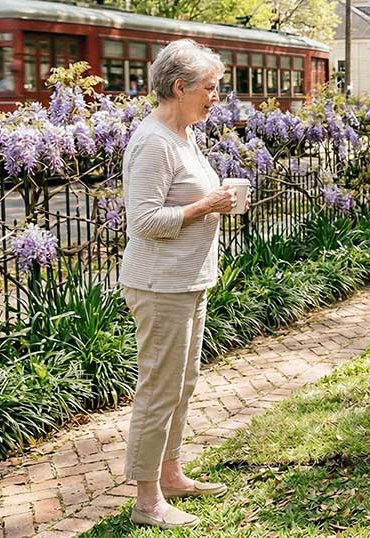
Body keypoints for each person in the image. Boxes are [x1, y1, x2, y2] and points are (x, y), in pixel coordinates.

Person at [120, 39, 242, 529]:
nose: (216, 97)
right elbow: (144, 220)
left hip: (189, 280)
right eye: (210, 89)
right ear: (179, 87)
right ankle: (146, 500)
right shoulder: (153, 141)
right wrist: (205, 206)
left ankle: (170, 474)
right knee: (159, 389)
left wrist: (218, 202)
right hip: (160, 284)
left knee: (182, 385)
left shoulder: (185, 135)